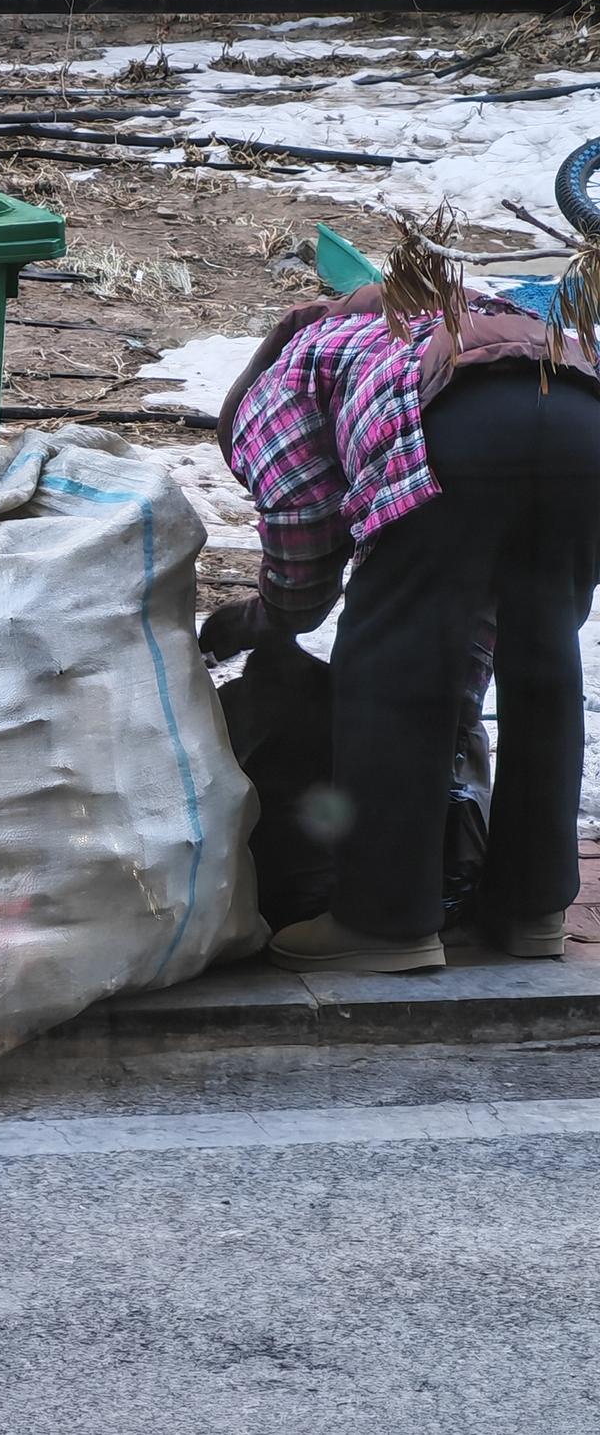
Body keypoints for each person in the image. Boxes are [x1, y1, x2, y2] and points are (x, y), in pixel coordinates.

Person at [199, 282, 600, 973]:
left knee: (388, 663)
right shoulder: (479, 319)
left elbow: (301, 536)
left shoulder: (297, 364)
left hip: (453, 429)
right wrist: (461, 687)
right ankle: (533, 909)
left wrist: (266, 619)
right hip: (585, 419)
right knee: (546, 657)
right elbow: (481, 608)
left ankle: (384, 923)